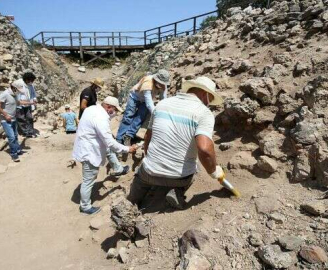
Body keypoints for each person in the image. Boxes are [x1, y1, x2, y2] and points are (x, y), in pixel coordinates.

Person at [127, 76, 225, 210]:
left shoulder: (162, 104)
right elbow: (204, 149)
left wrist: (152, 159)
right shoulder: (204, 113)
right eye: (211, 99)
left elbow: (148, 136)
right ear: (205, 94)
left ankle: (130, 203)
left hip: (149, 173)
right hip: (179, 178)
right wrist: (214, 171)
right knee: (196, 167)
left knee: (141, 179)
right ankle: (177, 191)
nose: (209, 103)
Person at [73, 96, 138, 215]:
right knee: (88, 179)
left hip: (89, 143)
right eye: (115, 110)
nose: (116, 113)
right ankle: (85, 206)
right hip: (89, 151)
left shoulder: (92, 109)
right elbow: (110, 142)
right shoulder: (100, 118)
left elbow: (105, 139)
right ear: (108, 107)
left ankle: (118, 169)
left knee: (108, 150)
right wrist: (127, 149)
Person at [116, 69, 170, 147]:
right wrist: (156, 114)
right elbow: (149, 102)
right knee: (128, 116)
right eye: (160, 83)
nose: (162, 85)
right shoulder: (148, 82)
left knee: (141, 117)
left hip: (145, 100)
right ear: (156, 79)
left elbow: (163, 98)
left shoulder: (163, 85)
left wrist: (163, 111)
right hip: (135, 97)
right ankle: (119, 139)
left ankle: (128, 136)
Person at [0, 80, 33, 162]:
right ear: (14, 88)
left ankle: (18, 150)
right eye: (18, 90)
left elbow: (19, 103)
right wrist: (5, 115)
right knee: (11, 137)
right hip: (5, 119)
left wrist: (30, 103)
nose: (19, 92)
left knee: (15, 135)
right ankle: (13, 154)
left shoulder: (15, 95)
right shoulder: (5, 94)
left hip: (13, 118)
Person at [16, 72, 38, 138]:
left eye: (32, 81)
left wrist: (34, 99)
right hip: (19, 105)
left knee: (29, 118)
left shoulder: (30, 85)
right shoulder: (18, 83)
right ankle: (25, 132)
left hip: (28, 104)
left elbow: (33, 93)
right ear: (26, 79)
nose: (31, 82)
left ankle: (30, 131)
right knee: (21, 119)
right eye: (31, 80)